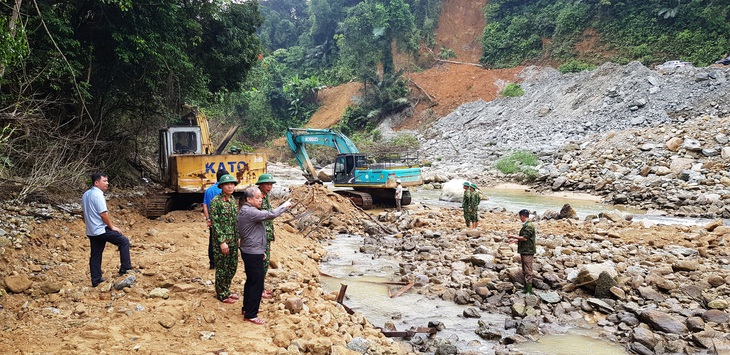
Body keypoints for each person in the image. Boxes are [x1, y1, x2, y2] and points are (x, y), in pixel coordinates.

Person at [237, 186, 292, 325]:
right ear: (249, 199)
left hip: (251, 250)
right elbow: (270, 214)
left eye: (260, 197)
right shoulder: (250, 212)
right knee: (257, 283)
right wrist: (284, 206)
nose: (260, 200)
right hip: (252, 251)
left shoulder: (246, 210)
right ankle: (251, 314)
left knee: (251, 281)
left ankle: (246, 308)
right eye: (257, 198)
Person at [81, 173, 134, 287]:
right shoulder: (98, 195)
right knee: (123, 241)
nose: (107, 183)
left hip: (91, 231)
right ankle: (125, 268)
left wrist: (88, 223)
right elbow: (103, 214)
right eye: (104, 181)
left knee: (95, 255)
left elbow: (83, 212)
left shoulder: (86, 194)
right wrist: (112, 227)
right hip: (100, 229)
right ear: (96, 183)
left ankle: (96, 280)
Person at [210, 174, 240, 303]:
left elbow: (235, 221)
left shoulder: (233, 200)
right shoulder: (216, 201)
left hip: (233, 239)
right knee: (222, 268)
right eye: (227, 184)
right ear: (221, 186)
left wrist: (238, 237)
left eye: (232, 184)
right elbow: (215, 224)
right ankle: (221, 293)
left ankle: (226, 289)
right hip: (222, 242)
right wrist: (222, 242)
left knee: (232, 267)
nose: (230, 186)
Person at [255, 173, 277, 299]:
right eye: (267, 184)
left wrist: (272, 230)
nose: (269, 187)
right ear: (260, 185)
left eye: (271, 184)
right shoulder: (257, 198)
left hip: (267, 234)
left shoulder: (266, 196)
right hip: (260, 235)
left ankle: (261, 287)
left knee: (266, 261)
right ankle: (259, 289)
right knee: (261, 263)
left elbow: (269, 216)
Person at [203, 168, 229, 269]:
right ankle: (223, 262)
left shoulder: (209, 190)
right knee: (224, 240)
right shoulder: (224, 190)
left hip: (212, 220)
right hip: (223, 220)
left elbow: (205, 205)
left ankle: (212, 263)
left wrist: (208, 218)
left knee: (212, 241)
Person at [507, 209, 537, 294]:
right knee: (525, 269)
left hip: (528, 251)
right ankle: (525, 288)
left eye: (520, 216)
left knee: (528, 270)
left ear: (522, 216)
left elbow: (525, 238)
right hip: (525, 250)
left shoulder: (529, 226)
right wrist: (514, 241)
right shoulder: (527, 225)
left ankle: (529, 290)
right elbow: (525, 239)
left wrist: (513, 236)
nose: (520, 218)